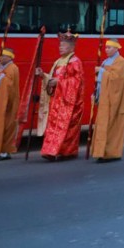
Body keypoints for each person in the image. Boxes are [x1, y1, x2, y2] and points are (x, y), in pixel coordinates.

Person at [38, 32, 86, 161]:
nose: (60, 48)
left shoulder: (75, 62)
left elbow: (77, 82)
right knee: (53, 126)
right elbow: (54, 79)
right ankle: (50, 150)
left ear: (71, 48)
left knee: (66, 127)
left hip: (69, 102)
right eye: (60, 45)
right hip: (57, 100)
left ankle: (65, 151)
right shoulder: (58, 61)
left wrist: (58, 83)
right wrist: (44, 76)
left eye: (63, 46)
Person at [92, 39, 124, 163]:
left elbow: (116, 79)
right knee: (101, 125)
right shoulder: (106, 61)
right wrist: (96, 93)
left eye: (109, 48)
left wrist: (101, 71)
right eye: (106, 48)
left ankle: (110, 153)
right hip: (104, 98)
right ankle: (100, 152)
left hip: (113, 100)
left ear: (117, 48)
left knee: (111, 125)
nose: (106, 50)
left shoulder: (121, 62)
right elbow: (100, 81)